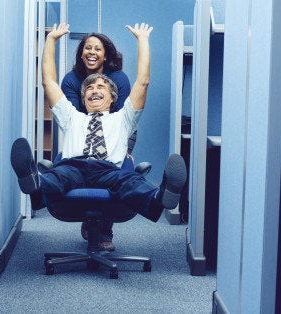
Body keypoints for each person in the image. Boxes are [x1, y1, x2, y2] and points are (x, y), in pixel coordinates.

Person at [11, 22, 186, 238]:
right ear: (83, 99)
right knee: (55, 177)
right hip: (73, 166)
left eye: (101, 87)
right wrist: (50, 40)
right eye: (89, 89)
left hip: (108, 169)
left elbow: (143, 82)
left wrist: (143, 40)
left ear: (113, 98)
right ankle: (34, 184)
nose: (94, 90)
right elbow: (48, 82)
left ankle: (162, 197)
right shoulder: (72, 116)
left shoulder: (123, 118)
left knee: (130, 182)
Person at [61, 32, 132, 251]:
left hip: (112, 135)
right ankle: (87, 216)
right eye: (87, 48)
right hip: (83, 132)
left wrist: (126, 149)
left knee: (113, 168)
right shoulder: (71, 80)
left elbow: (128, 117)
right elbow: (69, 116)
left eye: (98, 49)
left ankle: (105, 230)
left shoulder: (118, 78)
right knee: (80, 166)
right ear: (81, 53)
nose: (92, 52)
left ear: (105, 55)